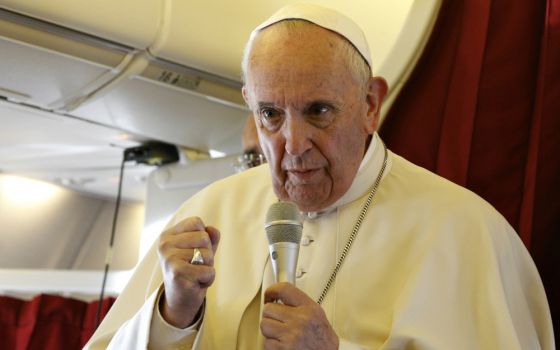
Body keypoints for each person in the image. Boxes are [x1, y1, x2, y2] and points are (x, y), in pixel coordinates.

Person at [85, 4, 555, 350]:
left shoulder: (464, 228)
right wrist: (172, 315)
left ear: (370, 105)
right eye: (270, 113)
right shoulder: (207, 213)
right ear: (250, 102)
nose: (293, 143)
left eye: (319, 111)